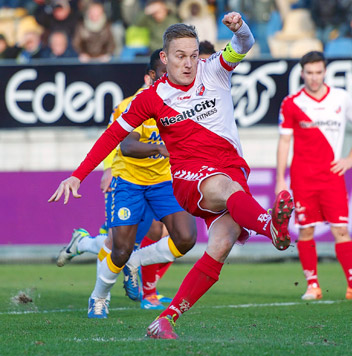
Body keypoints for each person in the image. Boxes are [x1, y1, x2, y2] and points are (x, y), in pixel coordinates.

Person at [49, 12, 294, 338]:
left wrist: (241, 28)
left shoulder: (216, 69)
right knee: (224, 187)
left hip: (231, 166)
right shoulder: (151, 98)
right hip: (189, 177)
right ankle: (270, 227)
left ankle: (166, 319)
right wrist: (78, 175)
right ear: (165, 58)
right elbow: (112, 137)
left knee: (222, 243)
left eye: (193, 55)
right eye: (180, 56)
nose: (189, 63)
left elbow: (245, 44)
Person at [54, 49, 193, 317]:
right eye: (165, 74)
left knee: (173, 235)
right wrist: (106, 170)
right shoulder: (133, 103)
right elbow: (121, 143)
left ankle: (134, 267)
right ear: (151, 76)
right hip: (127, 178)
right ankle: (98, 291)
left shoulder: (181, 102)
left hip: (163, 181)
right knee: (117, 247)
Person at [275, 51, 352, 302]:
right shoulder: (291, 103)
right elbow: (284, 141)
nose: (314, 77)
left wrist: (351, 157)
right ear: (302, 73)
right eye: (309, 73)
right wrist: (280, 178)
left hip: (332, 176)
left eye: (318, 72)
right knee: (306, 231)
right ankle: (313, 286)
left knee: (341, 229)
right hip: (303, 178)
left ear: (325, 72)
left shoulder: (341, 98)